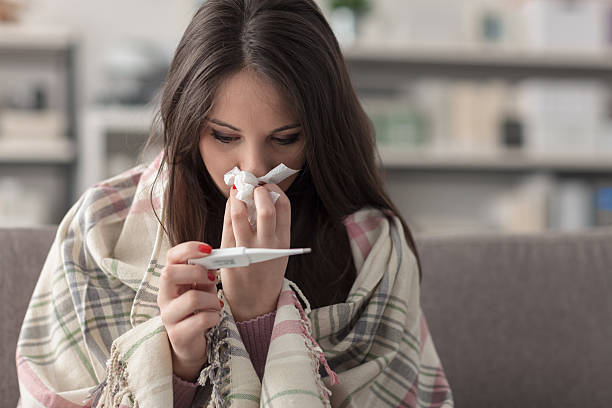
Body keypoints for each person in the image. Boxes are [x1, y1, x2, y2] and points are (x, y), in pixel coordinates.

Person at [16, 0, 453, 406]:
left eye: (285, 138)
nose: (253, 169)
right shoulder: (99, 230)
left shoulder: (375, 249)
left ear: (321, 131)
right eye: (224, 137)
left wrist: (258, 319)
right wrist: (178, 363)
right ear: (188, 124)